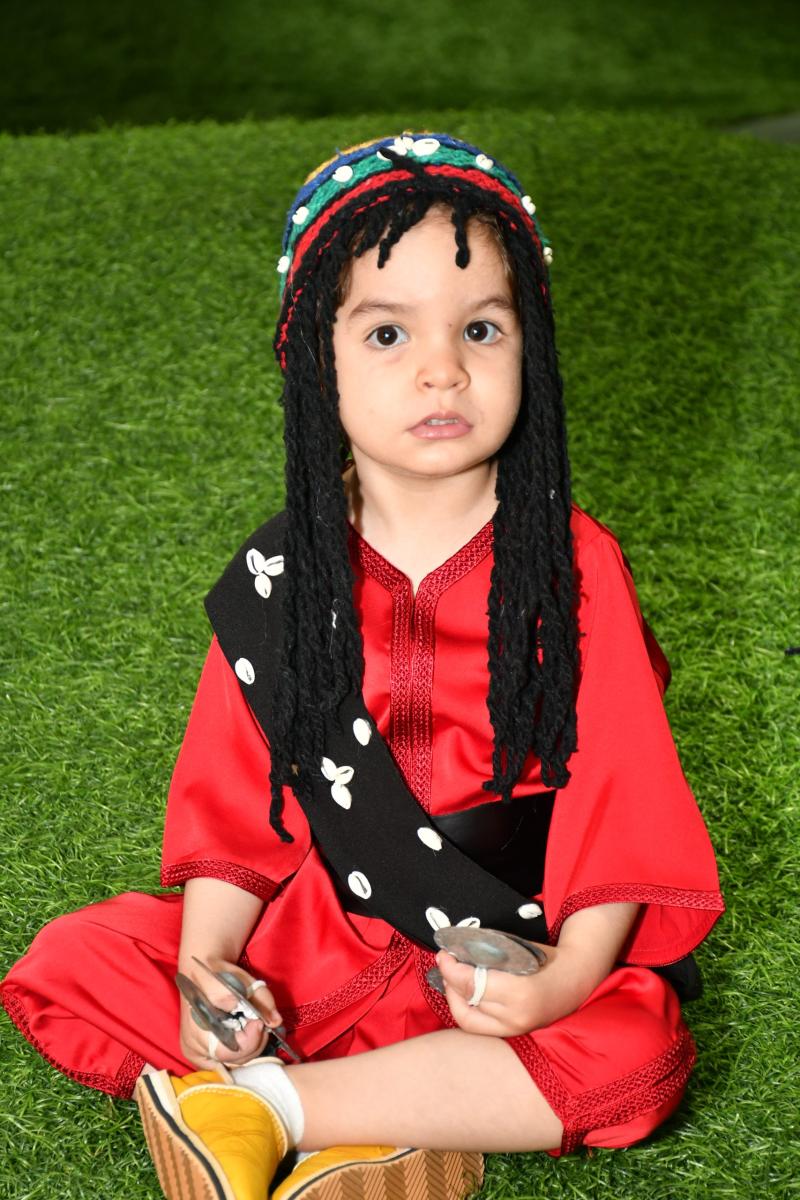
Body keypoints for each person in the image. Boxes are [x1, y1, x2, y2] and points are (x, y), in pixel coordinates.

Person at [1, 133, 724, 1200]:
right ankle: (396, 1113)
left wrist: (563, 978)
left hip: (506, 950)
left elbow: (620, 802)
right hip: (319, 943)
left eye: (481, 328)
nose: (442, 368)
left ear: (532, 349)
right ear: (314, 363)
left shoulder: (573, 565)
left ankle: (270, 1110)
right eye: (387, 332)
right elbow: (232, 806)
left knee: (636, 1055)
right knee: (73, 964)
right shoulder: (280, 578)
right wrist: (209, 972)